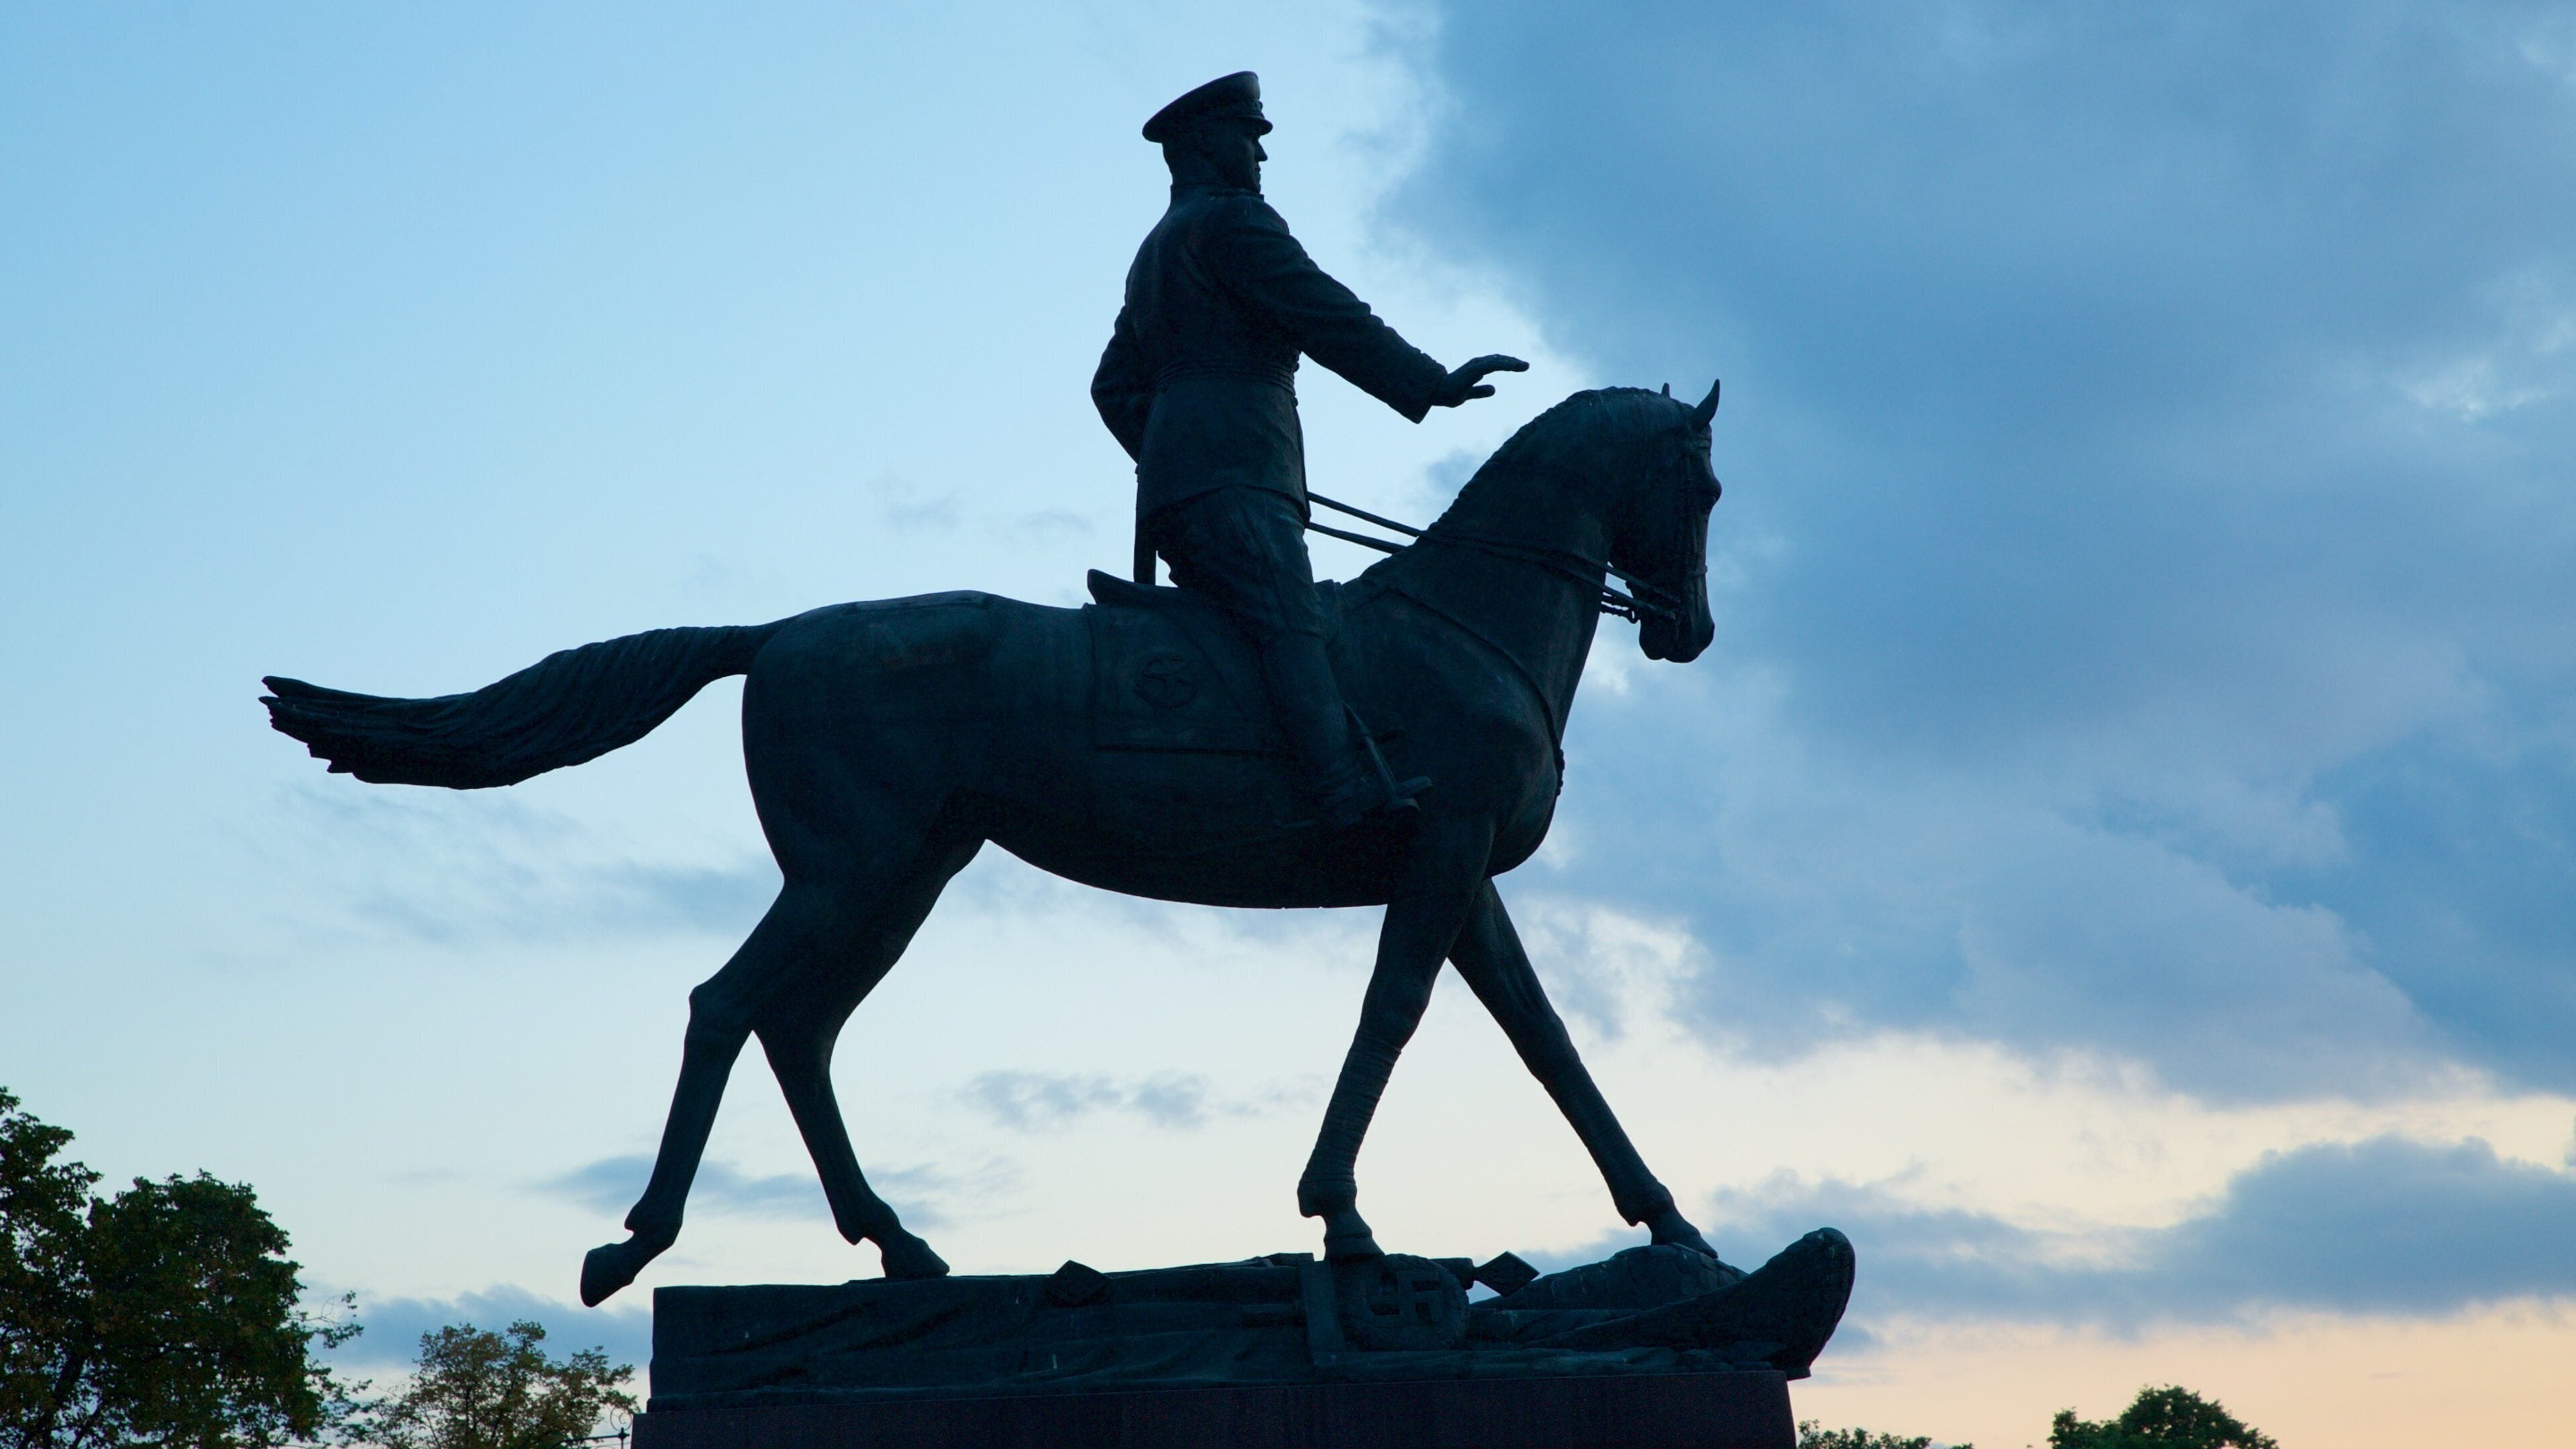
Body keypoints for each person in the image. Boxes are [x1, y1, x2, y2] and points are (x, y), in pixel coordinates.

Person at [1093, 70, 1527, 832]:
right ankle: (1341, 789)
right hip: (1239, 473)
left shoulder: (1153, 251)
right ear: (1203, 143)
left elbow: (1110, 387)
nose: (1261, 157)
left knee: (1250, 629)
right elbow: (1325, 313)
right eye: (1248, 138)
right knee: (1292, 620)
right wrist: (1428, 382)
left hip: (1194, 482)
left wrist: (1171, 452)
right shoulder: (1233, 225)